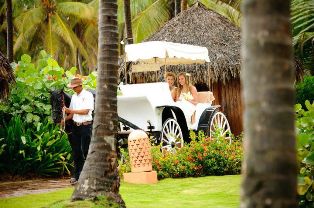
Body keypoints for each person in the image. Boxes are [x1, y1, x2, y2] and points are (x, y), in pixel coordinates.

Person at [62, 77, 94, 185]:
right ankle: (77, 176)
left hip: (86, 126)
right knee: (76, 152)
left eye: (74, 87)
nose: (73, 89)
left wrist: (70, 110)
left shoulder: (88, 95)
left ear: (80, 85)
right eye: (72, 87)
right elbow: (71, 114)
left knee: (85, 150)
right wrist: (63, 120)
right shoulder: (74, 97)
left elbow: (85, 111)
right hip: (76, 127)